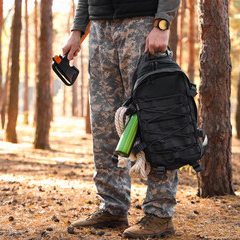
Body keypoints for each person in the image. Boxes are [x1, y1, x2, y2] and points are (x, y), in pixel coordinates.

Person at [62, 0, 181, 238]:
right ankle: (113, 207)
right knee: (105, 121)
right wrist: (77, 30)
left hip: (142, 24)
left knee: (153, 118)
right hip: (99, 28)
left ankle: (160, 212)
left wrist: (162, 22)